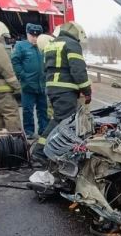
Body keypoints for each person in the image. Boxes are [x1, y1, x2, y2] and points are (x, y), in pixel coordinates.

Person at [32, 22, 91, 161]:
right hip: (65, 90)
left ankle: (51, 150)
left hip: (53, 89)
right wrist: (87, 91)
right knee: (62, 121)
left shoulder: (52, 44)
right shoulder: (72, 44)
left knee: (59, 119)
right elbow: (78, 70)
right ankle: (40, 152)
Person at [11, 23, 48, 139]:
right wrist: (22, 75)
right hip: (28, 85)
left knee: (43, 109)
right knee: (27, 110)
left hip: (42, 84)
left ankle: (44, 130)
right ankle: (29, 131)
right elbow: (15, 61)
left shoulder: (43, 46)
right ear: (27, 34)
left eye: (37, 36)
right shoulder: (21, 46)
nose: (35, 38)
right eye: (32, 35)